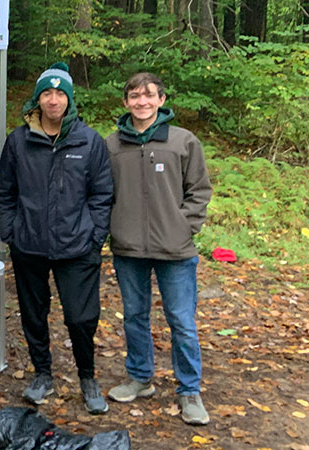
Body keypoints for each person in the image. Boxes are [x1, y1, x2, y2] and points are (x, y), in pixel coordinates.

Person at [0, 62, 114, 414]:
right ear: (38, 98)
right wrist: (10, 231)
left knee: (80, 317)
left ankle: (87, 376)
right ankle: (42, 373)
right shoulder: (19, 140)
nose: (53, 100)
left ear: (70, 100)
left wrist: (94, 236)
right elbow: (5, 192)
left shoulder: (88, 141)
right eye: (47, 92)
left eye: (61, 93)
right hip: (28, 243)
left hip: (77, 246)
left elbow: (102, 194)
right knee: (34, 314)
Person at [104, 72, 212, 425]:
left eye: (149, 95)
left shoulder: (183, 141)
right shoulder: (112, 145)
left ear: (161, 100)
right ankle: (139, 377)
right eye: (134, 96)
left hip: (176, 250)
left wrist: (184, 227)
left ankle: (189, 391)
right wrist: (112, 228)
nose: (142, 102)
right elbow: (103, 194)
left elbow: (199, 191)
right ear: (125, 102)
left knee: (181, 320)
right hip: (128, 247)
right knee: (135, 316)